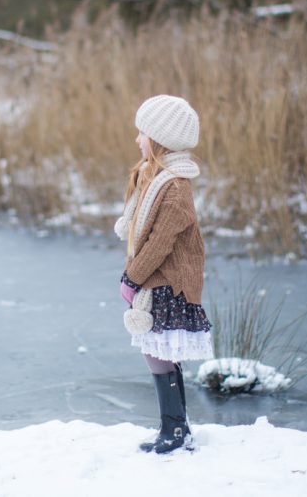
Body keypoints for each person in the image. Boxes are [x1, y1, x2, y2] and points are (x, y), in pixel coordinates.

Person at [115, 94, 214, 454]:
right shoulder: (153, 177)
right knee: (159, 353)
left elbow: (160, 243)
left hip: (169, 283)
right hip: (157, 280)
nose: (137, 140)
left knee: (157, 354)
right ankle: (175, 426)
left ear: (159, 139)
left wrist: (132, 277)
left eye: (142, 133)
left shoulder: (174, 187)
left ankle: (175, 429)